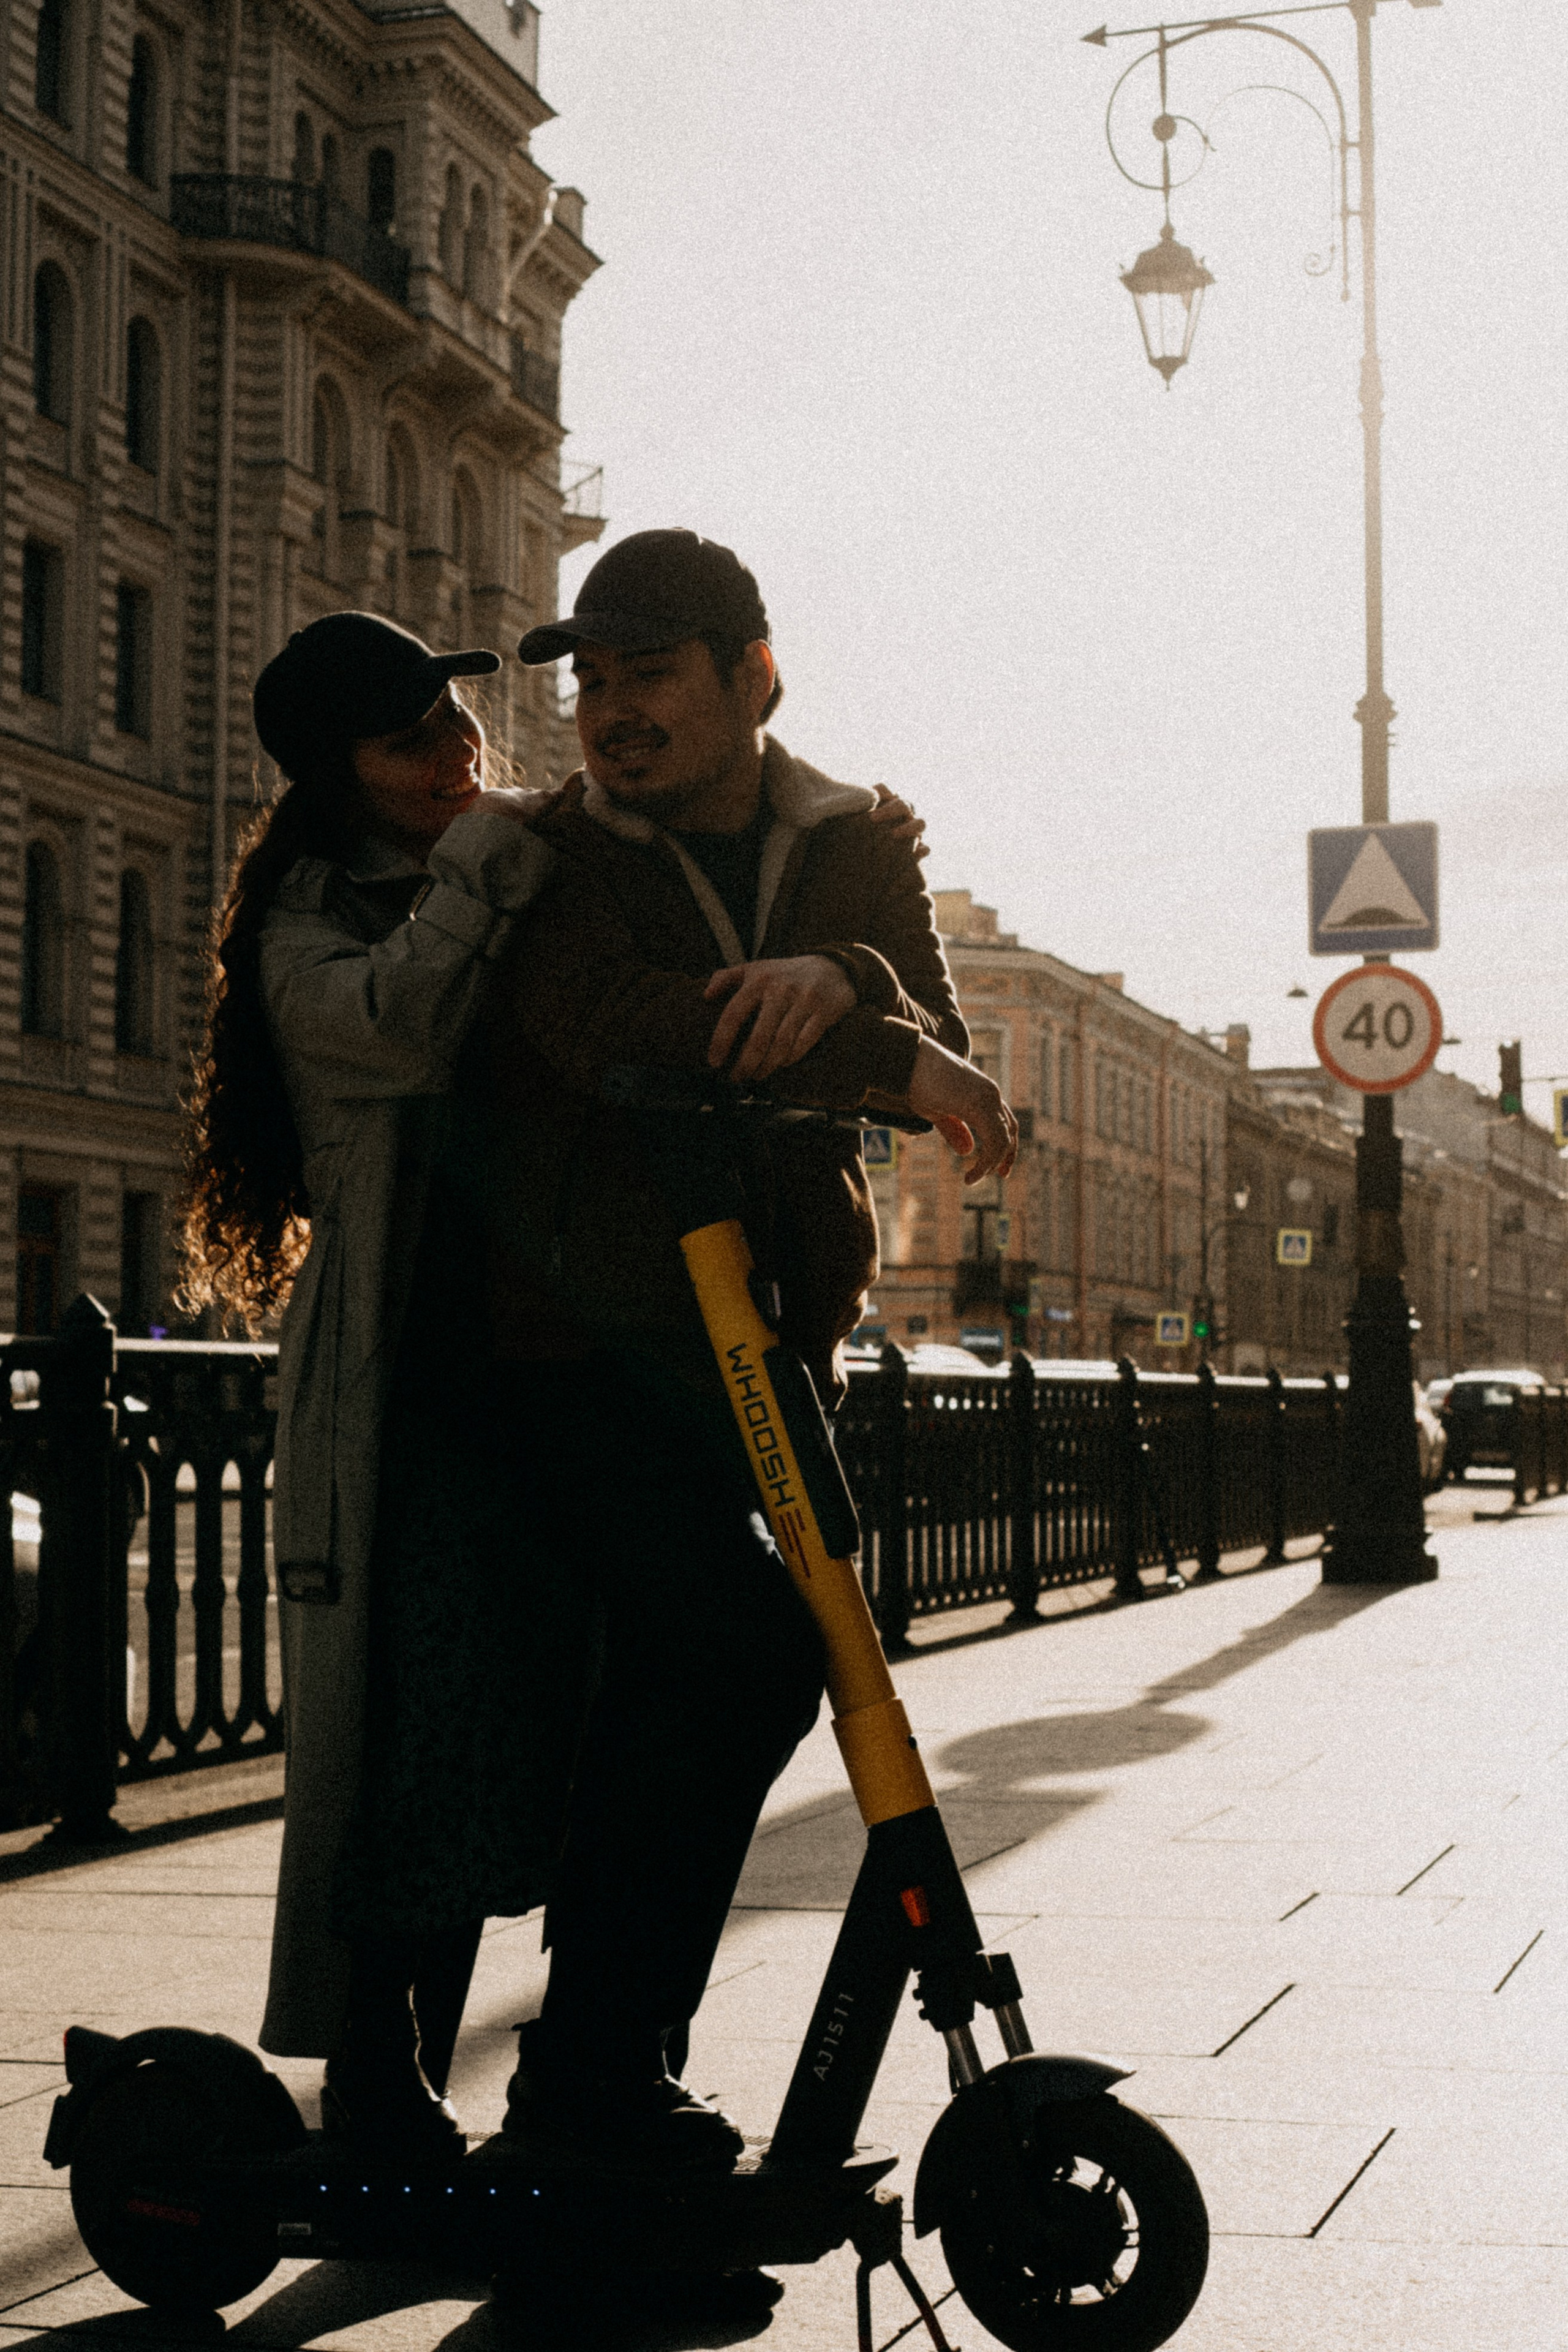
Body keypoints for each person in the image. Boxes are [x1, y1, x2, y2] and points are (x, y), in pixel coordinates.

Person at [178, 607, 936, 2167]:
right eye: (411, 741)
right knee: (423, 1723)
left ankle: (589, 2078)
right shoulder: (314, 925)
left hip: (550, 1364)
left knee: (544, 1714)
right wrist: (488, 866)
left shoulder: (533, 867)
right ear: (333, 776)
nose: (461, 755)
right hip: (411, 1380)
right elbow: (396, 1031)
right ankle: (390, 2084)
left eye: (462, 728)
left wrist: (849, 974)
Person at [470, 530, 1017, 2185]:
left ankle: (605, 2082)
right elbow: (612, 1023)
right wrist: (863, 1041)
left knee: (720, 1670)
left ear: (752, 678)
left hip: (768, 1345)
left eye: (647, 675)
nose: (608, 713)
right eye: (590, 683)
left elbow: (933, 1024)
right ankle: (587, 2084)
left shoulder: (862, 836)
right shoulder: (552, 854)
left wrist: (841, 978)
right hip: (582, 1342)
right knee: (743, 1656)